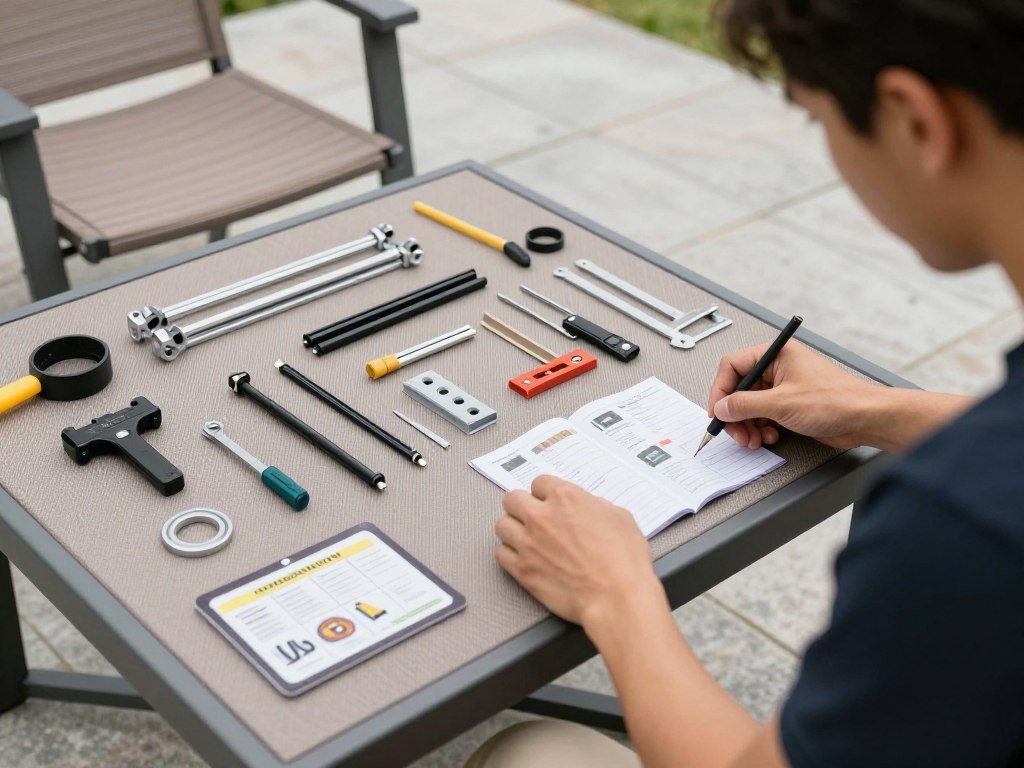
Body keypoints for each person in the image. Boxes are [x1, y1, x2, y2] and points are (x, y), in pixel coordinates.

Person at [466, 0, 1024, 766]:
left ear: (914, 119)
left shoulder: (961, 527)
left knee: (527, 752)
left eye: (817, 118)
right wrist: (869, 410)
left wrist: (615, 595)